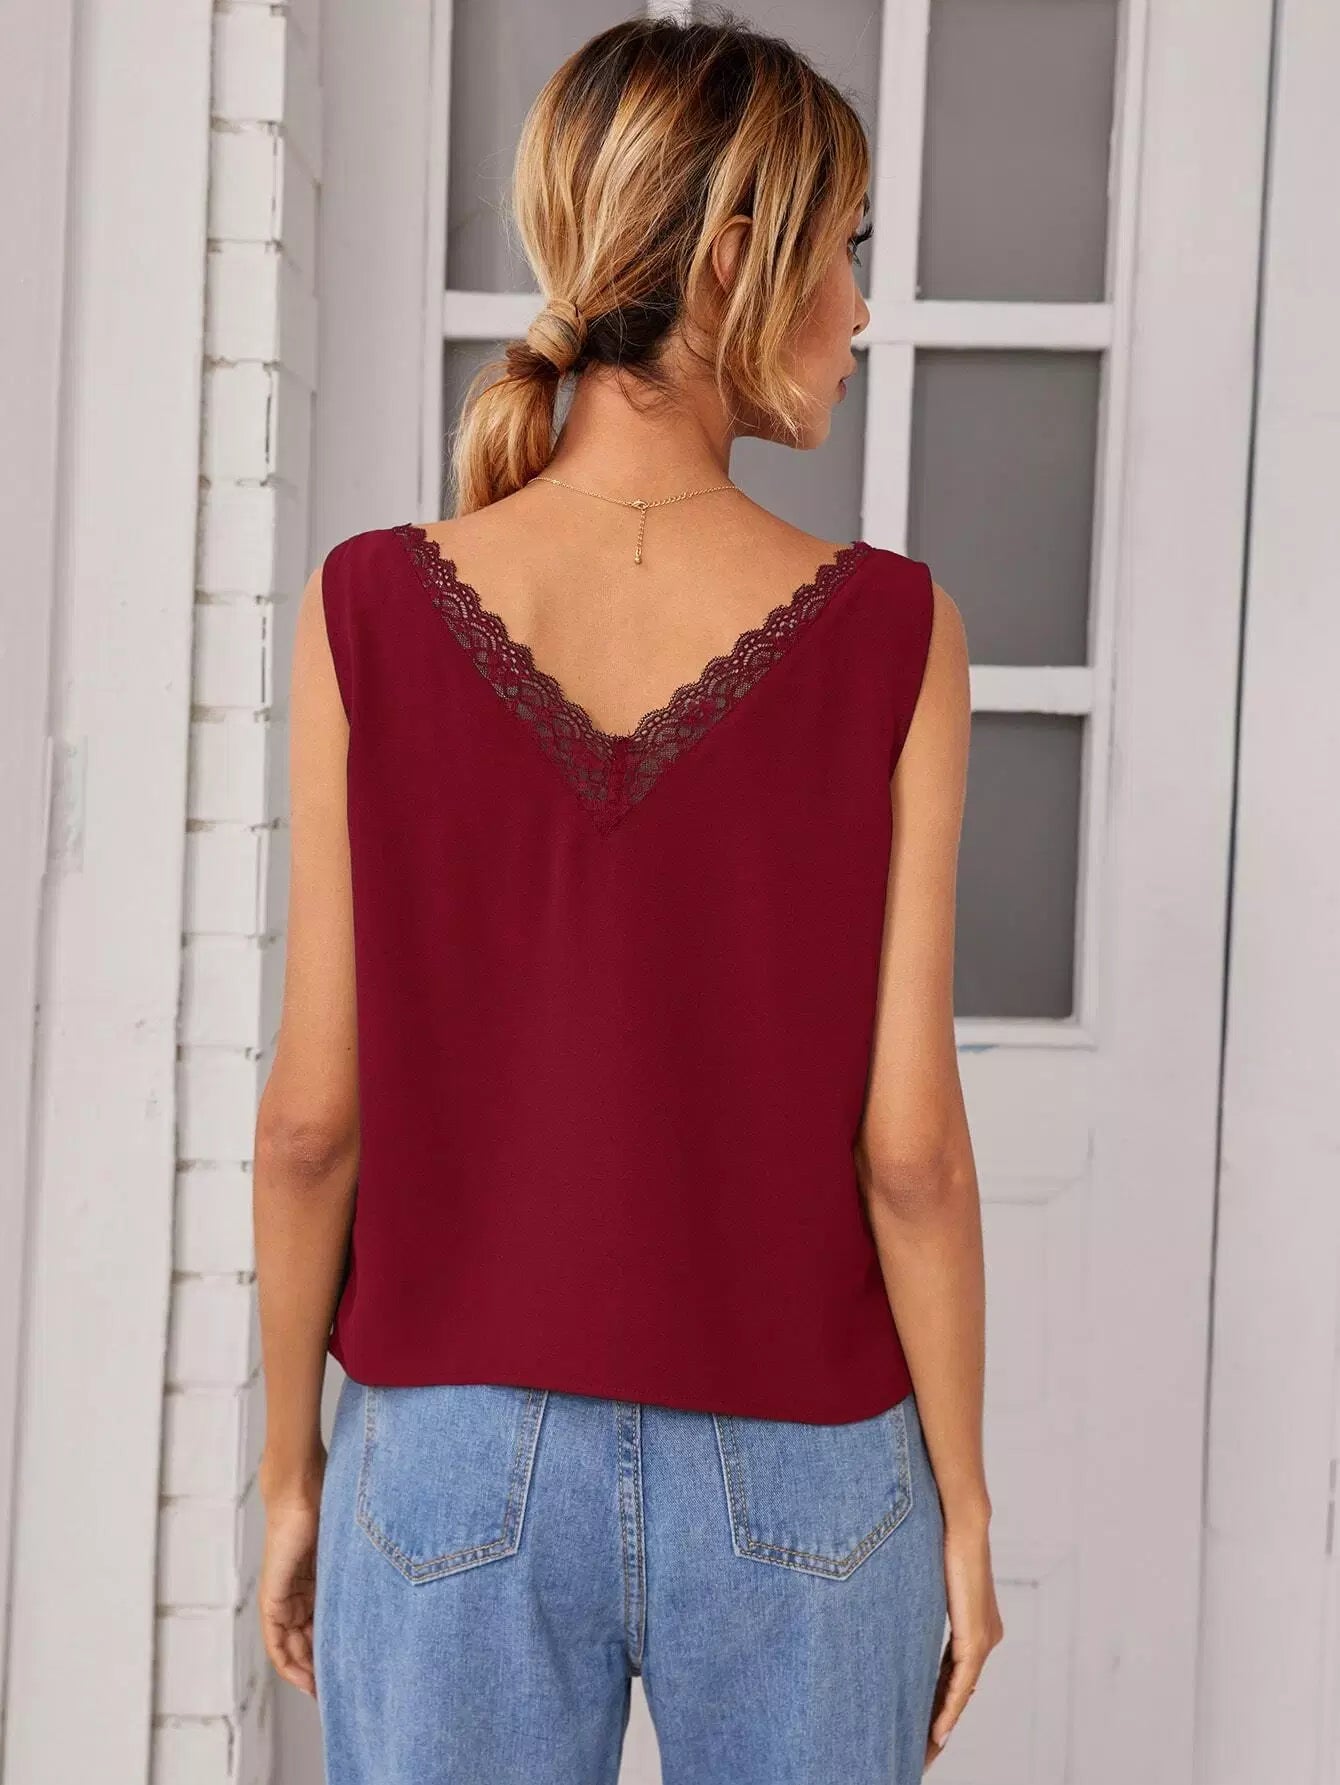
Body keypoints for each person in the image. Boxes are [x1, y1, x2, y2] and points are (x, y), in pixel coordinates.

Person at [252, 14, 1002, 1783]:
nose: (861, 309)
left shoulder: (368, 609)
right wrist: (967, 1503)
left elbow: (308, 1123)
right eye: (844, 251)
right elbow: (911, 1148)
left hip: (446, 1461)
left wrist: (293, 1468)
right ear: (733, 258)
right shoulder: (899, 634)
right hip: (809, 1466)